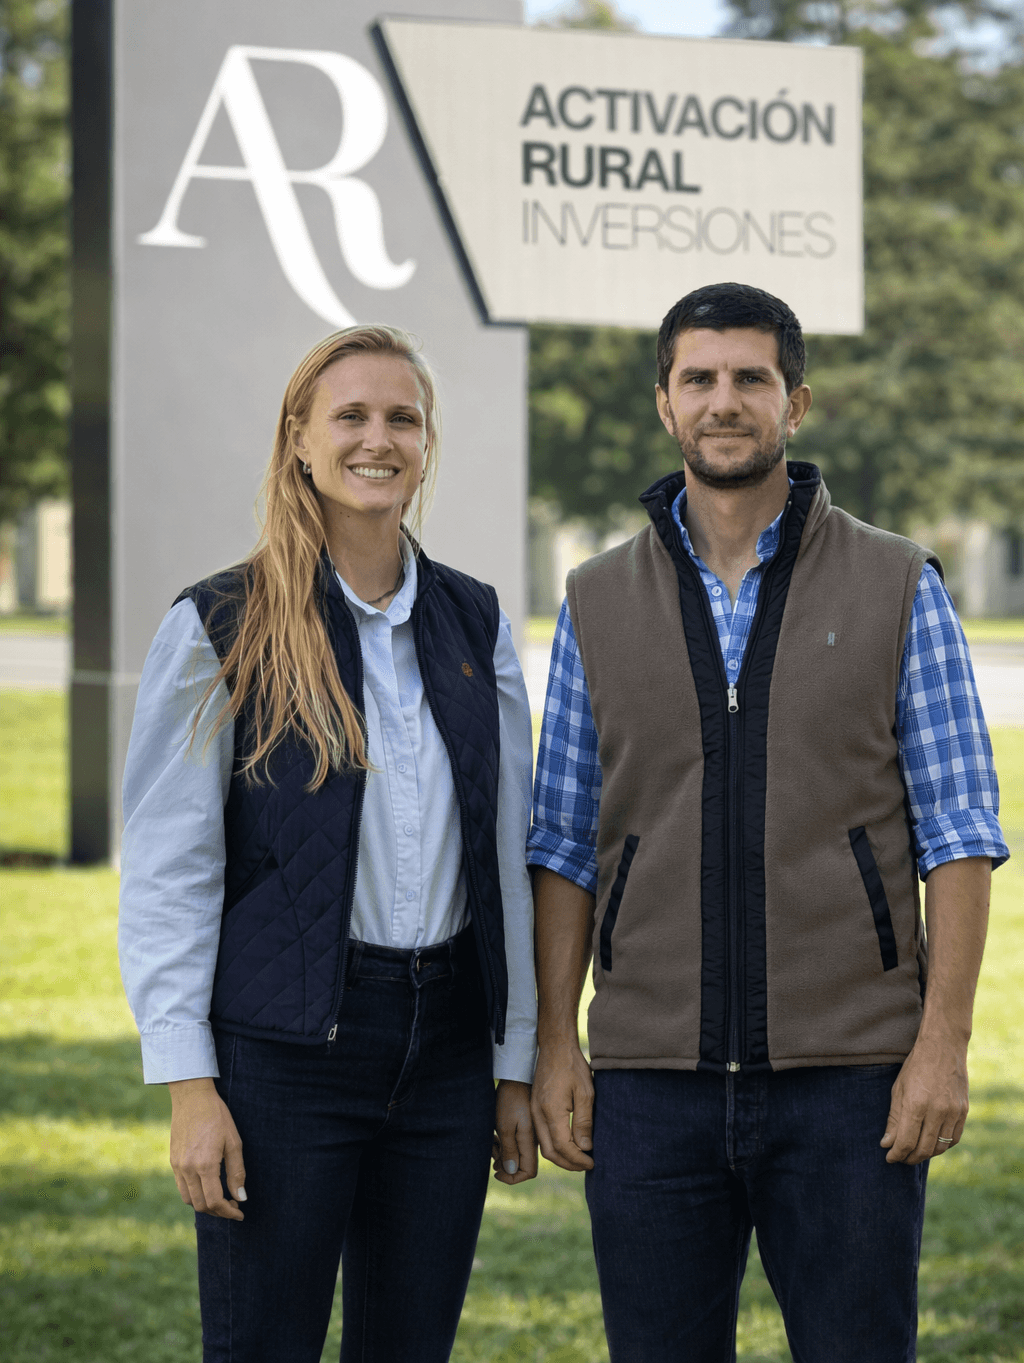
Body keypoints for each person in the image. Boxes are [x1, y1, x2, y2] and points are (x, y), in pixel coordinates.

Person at [527, 282, 1007, 1362]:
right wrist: (556, 1042)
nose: (723, 401)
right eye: (698, 378)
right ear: (663, 403)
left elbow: (959, 833)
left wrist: (941, 1044)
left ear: (798, 402)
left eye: (750, 378)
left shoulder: (896, 585)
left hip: (850, 1087)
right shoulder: (596, 599)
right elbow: (562, 842)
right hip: (650, 1088)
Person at [118, 325, 538, 1363]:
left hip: (443, 1055)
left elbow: (509, 857)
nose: (377, 438)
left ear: (427, 445)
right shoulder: (221, 622)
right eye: (349, 415)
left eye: (403, 417)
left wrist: (515, 1060)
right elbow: (169, 870)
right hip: (283, 1056)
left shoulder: (474, 622)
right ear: (299, 440)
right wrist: (188, 1086)